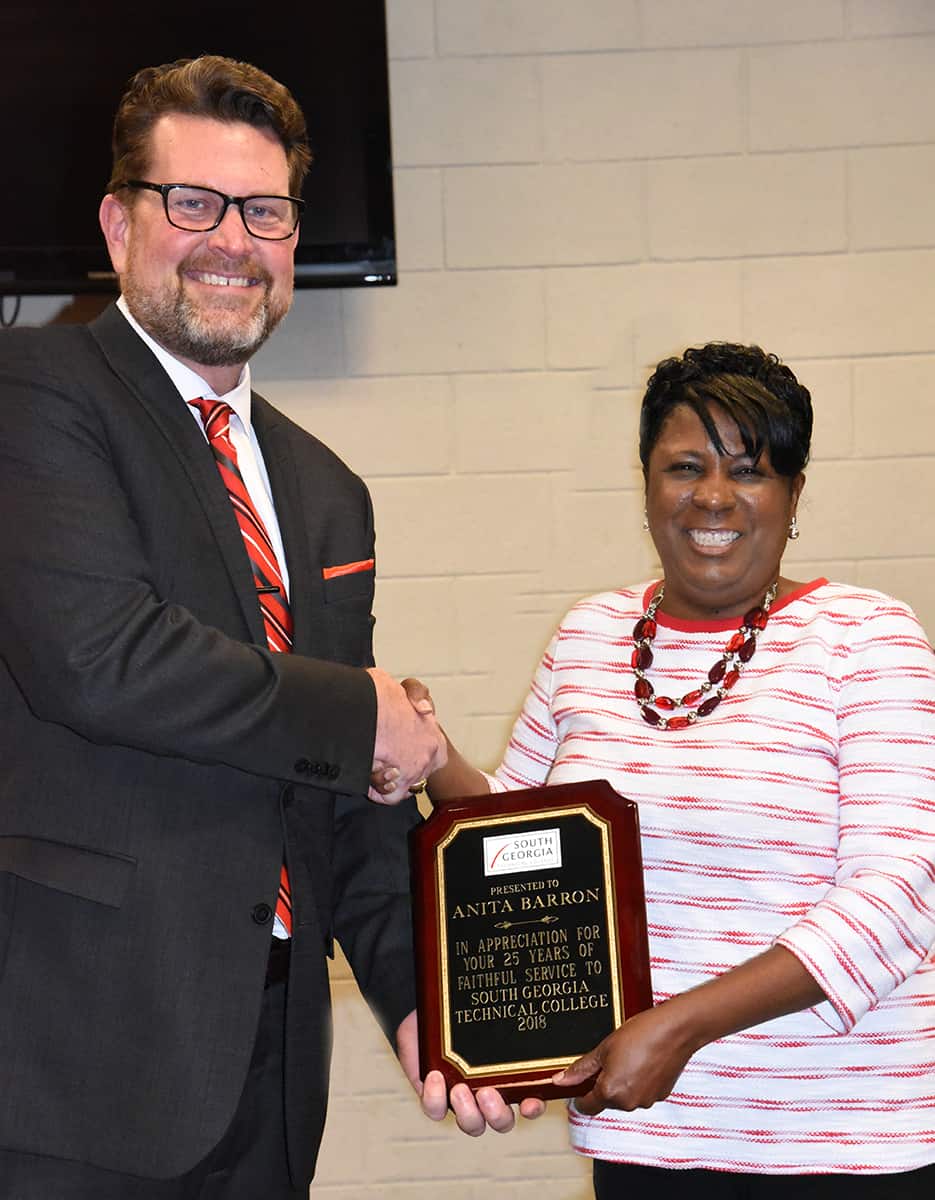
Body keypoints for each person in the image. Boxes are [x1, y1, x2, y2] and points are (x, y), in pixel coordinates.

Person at [0, 55, 447, 1199]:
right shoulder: (36, 393)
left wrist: (426, 1012)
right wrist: (365, 714)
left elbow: (336, 793)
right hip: (71, 1066)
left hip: (266, 1070)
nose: (231, 242)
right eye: (190, 203)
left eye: (264, 211)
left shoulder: (325, 487)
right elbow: (100, 659)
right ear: (117, 222)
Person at [377, 343, 935, 1195]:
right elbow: (514, 832)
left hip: (842, 1142)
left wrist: (677, 1029)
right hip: (648, 1138)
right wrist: (426, 752)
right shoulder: (589, 635)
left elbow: (900, 891)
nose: (712, 496)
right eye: (684, 465)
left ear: (792, 495)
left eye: (749, 470)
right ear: (645, 484)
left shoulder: (867, 638)